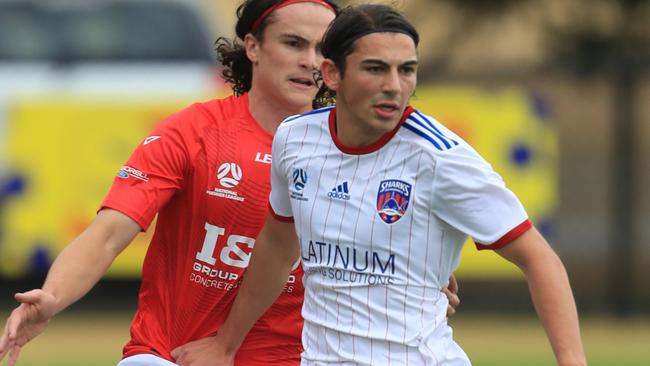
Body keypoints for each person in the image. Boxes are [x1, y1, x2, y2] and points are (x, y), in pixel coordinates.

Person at [0, 1, 459, 366]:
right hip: (171, 355)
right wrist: (52, 297)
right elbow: (105, 236)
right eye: (293, 43)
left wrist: (424, 279)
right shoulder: (192, 131)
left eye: (323, 49)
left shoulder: (363, 146)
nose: (309, 62)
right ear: (253, 47)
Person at [203, 4, 588, 366]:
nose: (394, 85)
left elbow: (540, 260)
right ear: (332, 74)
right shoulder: (295, 139)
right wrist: (225, 345)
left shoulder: (442, 159)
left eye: (406, 70)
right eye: (375, 69)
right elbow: (277, 244)